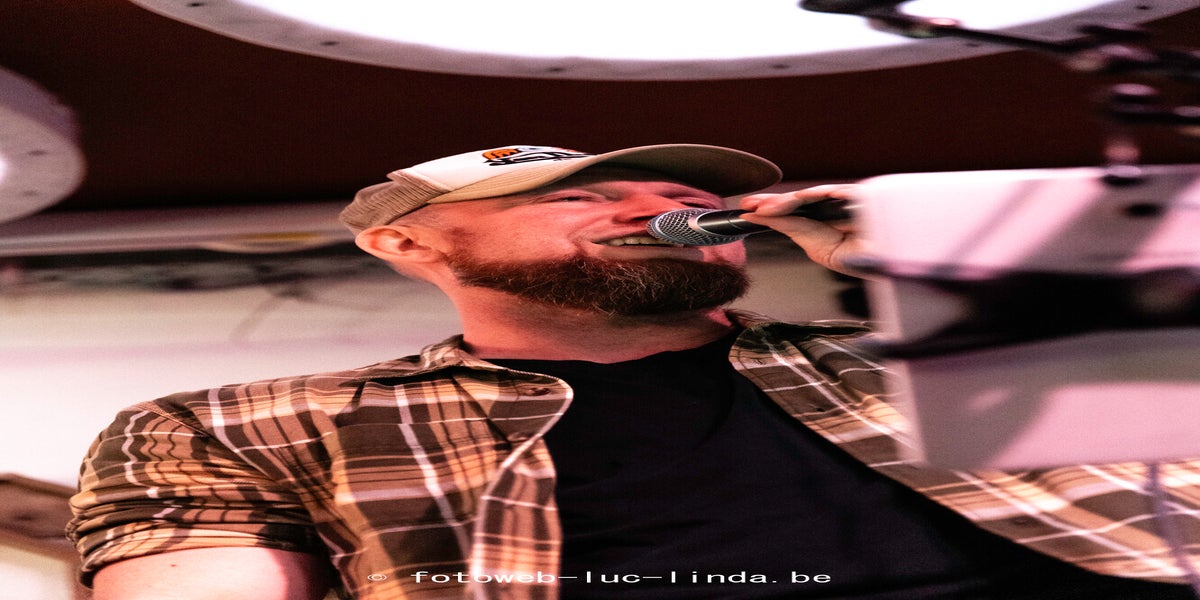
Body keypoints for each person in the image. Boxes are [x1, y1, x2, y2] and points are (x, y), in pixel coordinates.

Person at [67, 144, 1200, 600]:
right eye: (581, 194)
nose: (657, 207)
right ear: (407, 241)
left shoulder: (937, 356)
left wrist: (949, 265)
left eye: (679, 197)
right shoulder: (244, 423)